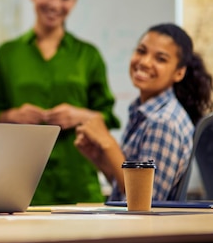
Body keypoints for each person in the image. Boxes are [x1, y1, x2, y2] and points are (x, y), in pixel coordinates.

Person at [0, 0, 120, 205]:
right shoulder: (7, 55)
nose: (55, 4)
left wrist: (79, 115)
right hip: (20, 183)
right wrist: (12, 116)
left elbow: (107, 116)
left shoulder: (89, 55)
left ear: (74, 1)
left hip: (79, 182)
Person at [75, 23, 212, 201]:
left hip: (141, 228)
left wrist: (108, 144)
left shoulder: (163, 122)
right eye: (141, 51)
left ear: (179, 73)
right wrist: (101, 159)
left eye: (160, 59)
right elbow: (125, 191)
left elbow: (143, 204)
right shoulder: (144, 114)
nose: (145, 62)